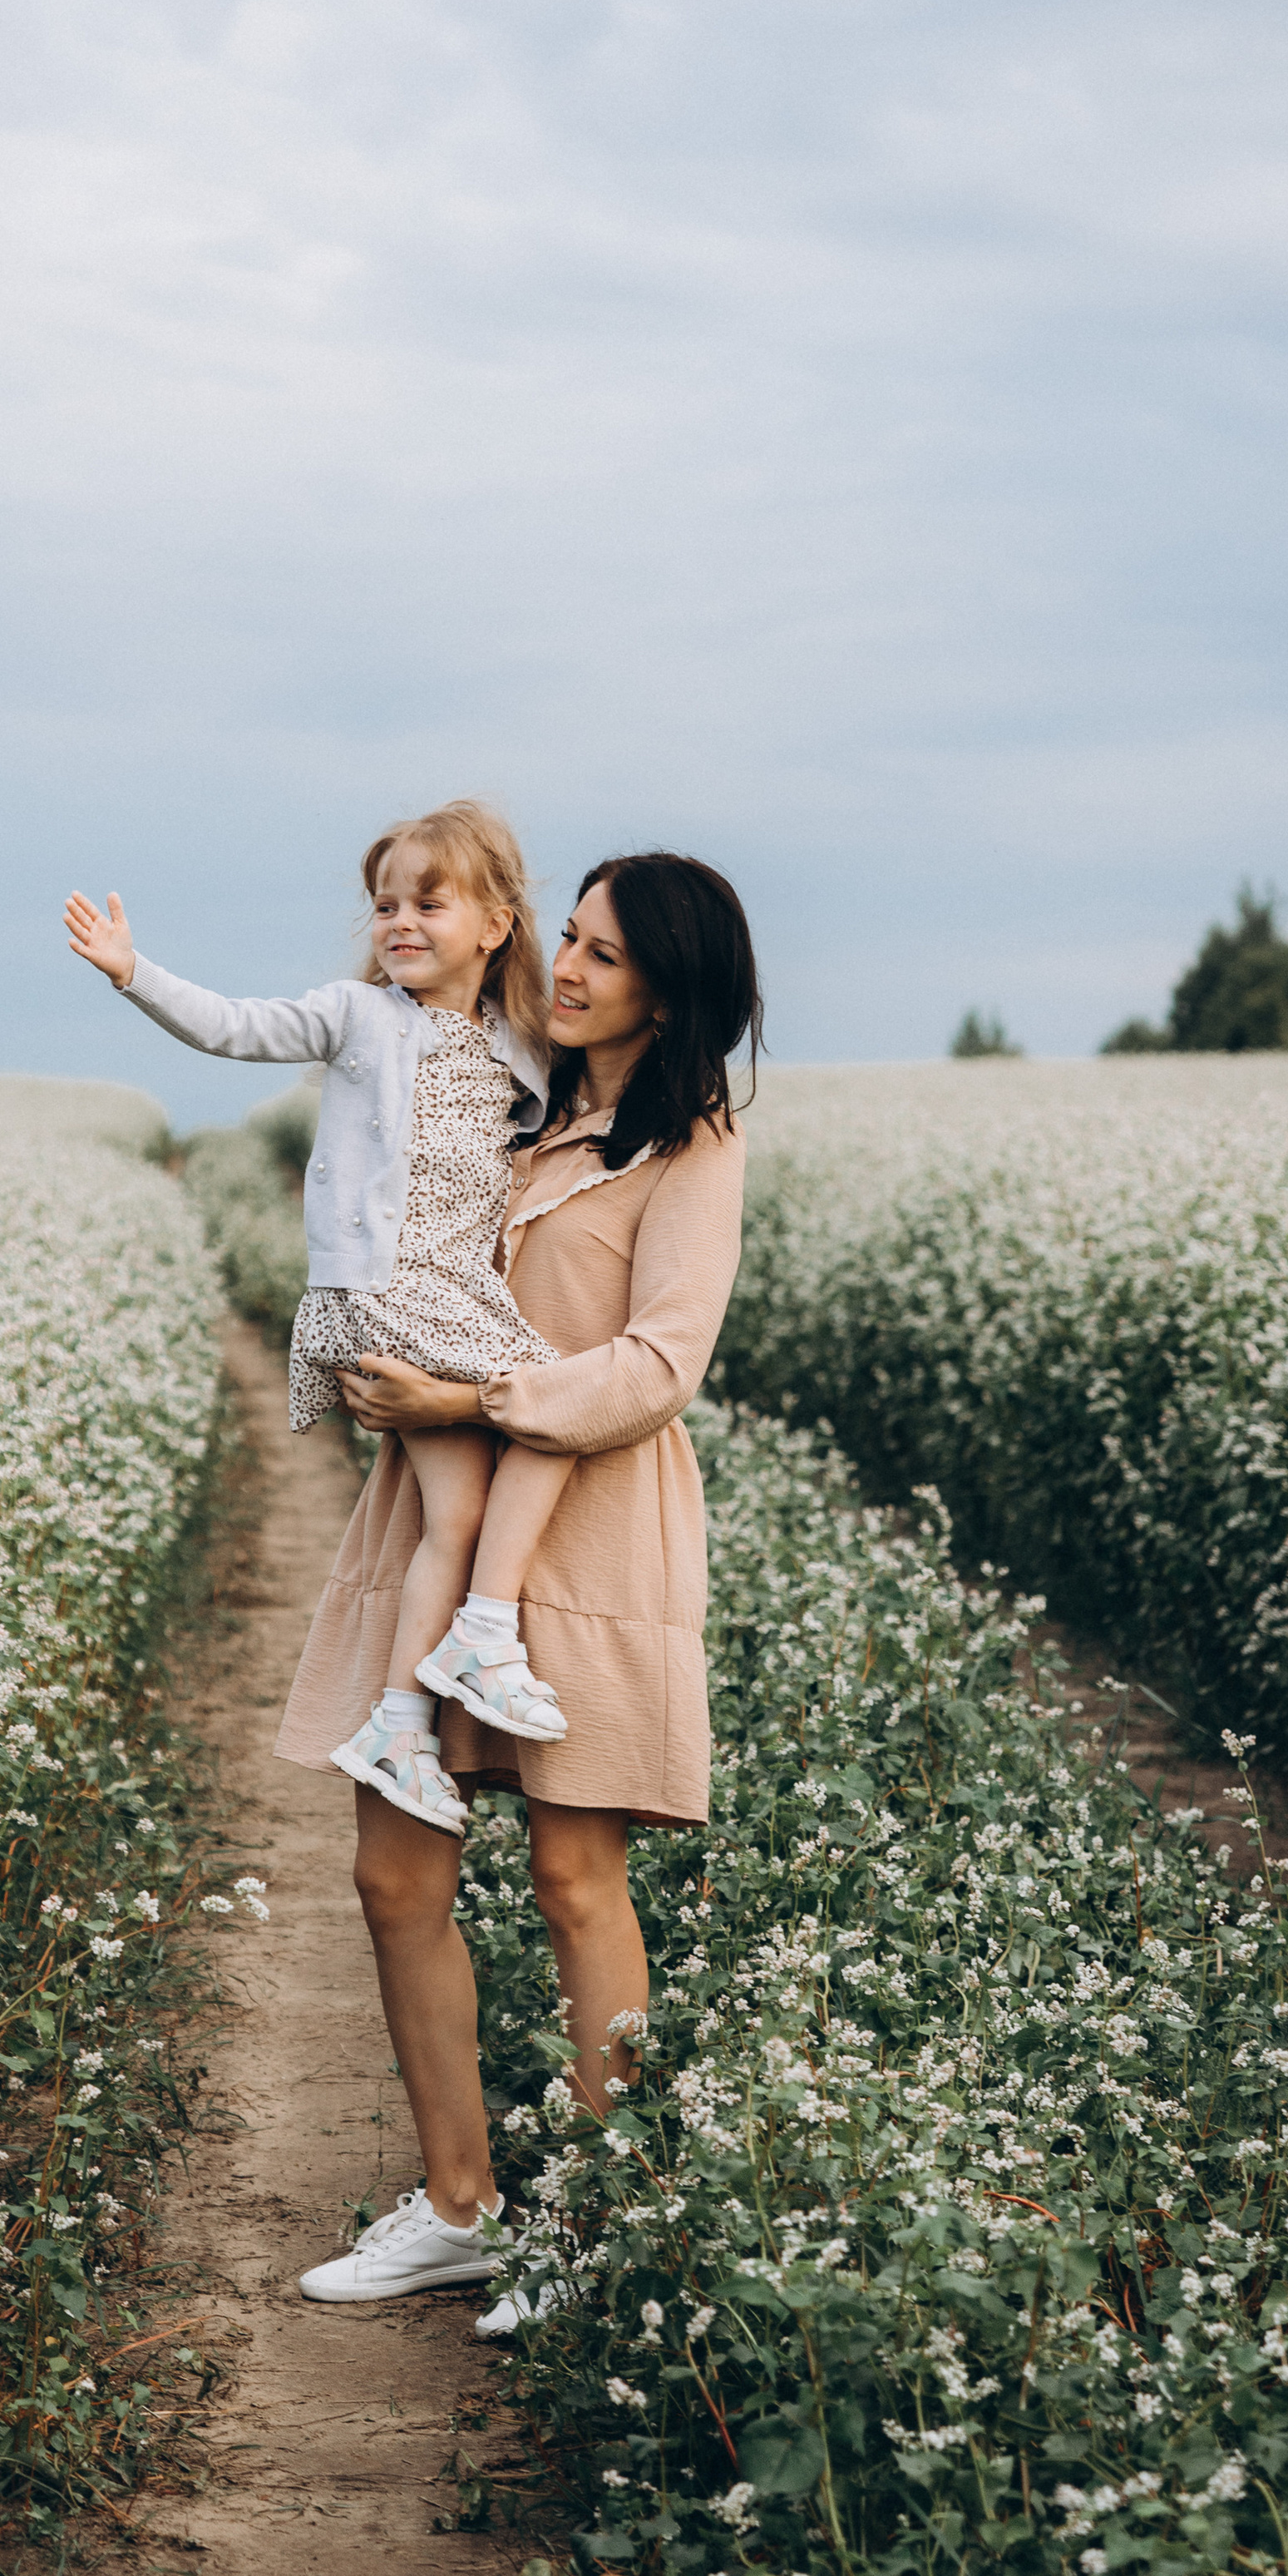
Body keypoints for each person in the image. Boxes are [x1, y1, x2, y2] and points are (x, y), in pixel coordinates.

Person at [276, 851, 762, 2317]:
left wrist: (463, 1406)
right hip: (436, 1517)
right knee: (393, 1873)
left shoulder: (693, 1144)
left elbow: (661, 1366)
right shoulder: (507, 1094)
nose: (566, 965)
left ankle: (604, 2232)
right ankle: (460, 2203)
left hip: (592, 1530)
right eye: (567, 933)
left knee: (571, 1877)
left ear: (669, 990)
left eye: (603, 955)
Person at [64, 800, 585, 1838]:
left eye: (428, 902)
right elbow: (235, 1026)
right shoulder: (360, 1019)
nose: (398, 921)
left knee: (463, 1511)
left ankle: (401, 1723)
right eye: (385, 903)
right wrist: (133, 972)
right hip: (385, 1291)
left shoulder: (515, 1047)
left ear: (494, 925)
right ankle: (481, 1634)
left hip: (449, 1294)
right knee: (559, 1403)